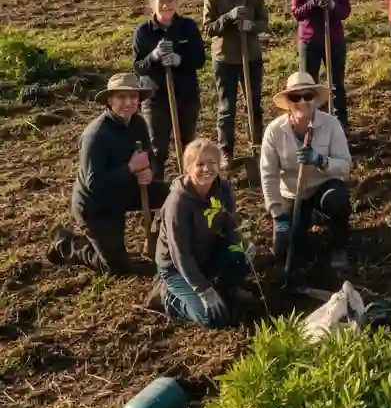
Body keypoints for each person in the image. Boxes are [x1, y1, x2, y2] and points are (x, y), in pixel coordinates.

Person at [48, 73, 171, 274]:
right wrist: (130, 168)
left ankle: (164, 238)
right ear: (109, 100)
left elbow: (148, 158)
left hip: (126, 188)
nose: (128, 103)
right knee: (115, 267)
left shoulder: (138, 123)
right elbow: (94, 184)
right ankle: (68, 243)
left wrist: (149, 172)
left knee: (174, 194)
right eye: (121, 97)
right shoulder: (96, 135)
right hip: (97, 205)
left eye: (133, 97)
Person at [151, 138, 252, 327]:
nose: (207, 169)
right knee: (213, 318)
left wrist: (242, 244)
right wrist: (204, 290)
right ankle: (168, 298)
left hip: (206, 253)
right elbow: (181, 255)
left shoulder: (223, 189)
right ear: (188, 168)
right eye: (199, 164)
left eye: (213, 163)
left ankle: (227, 289)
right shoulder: (178, 203)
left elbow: (230, 225)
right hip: (176, 268)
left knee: (238, 255)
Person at [261, 72, 353, 269]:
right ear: (288, 101)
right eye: (295, 97)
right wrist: (278, 214)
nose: (302, 101)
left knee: (337, 200)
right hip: (293, 195)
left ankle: (338, 245)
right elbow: (268, 175)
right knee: (284, 249)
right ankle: (306, 221)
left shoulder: (330, 124)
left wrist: (320, 160)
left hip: (323, 187)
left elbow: (345, 165)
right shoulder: (275, 131)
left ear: (315, 99)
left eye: (308, 96)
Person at [131, 0, 206, 181]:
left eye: (171, 0)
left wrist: (179, 59)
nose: (167, 5)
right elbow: (138, 67)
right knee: (157, 148)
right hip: (156, 99)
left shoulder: (187, 27)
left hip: (186, 96)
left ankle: (190, 185)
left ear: (177, 2)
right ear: (152, 3)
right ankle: (157, 191)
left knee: (187, 145)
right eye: (162, 1)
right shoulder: (144, 32)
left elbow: (200, 59)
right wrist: (154, 56)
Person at [202, 0, 270, 169]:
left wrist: (251, 26)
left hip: (250, 56)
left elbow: (264, 22)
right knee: (227, 108)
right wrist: (228, 18)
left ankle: (257, 145)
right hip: (225, 59)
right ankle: (226, 151)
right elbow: (208, 29)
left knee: (254, 104)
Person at [291, 0, 352, 130]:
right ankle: (310, 122)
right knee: (309, 85)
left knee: (336, 84)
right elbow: (297, 12)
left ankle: (339, 124)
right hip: (310, 40)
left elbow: (345, 12)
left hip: (333, 39)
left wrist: (332, 6)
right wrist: (314, 2)